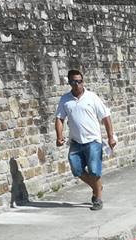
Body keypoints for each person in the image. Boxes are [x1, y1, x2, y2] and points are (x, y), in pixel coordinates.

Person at [54, 69, 116, 211]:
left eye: (79, 81)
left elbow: (106, 117)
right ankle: (97, 186)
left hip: (93, 140)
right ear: (69, 82)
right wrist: (59, 136)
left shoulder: (92, 97)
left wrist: (111, 137)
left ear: (83, 81)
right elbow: (59, 118)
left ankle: (98, 198)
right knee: (77, 170)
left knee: (94, 171)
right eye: (73, 81)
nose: (77, 84)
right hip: (76, 141)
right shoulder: (65, 99)